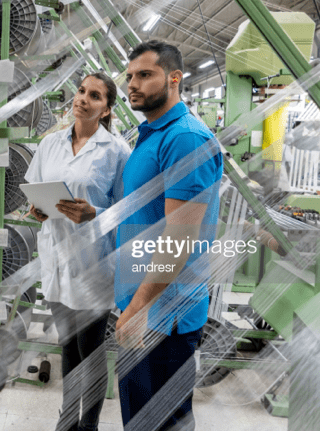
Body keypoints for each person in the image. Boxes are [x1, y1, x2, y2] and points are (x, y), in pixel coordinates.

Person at [114, 41, 223, 431]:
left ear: (174, 79)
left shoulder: (184, 138)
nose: (133, 84)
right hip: (146, 306)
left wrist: (139, 307)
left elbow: (179, 239)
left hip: (163, 317)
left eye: (145, 75)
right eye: (130, 76)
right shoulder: (153, 134)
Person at [24, 72, 131, 431]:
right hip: (55, 257)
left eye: (95, 96)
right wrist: (36, 210)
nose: (83, 99)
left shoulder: (116, 152)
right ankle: (67, 418)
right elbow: (36, 187)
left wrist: (94, 214)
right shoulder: (50, 144)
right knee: (68, 344)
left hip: (93, 263)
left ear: (106, 110)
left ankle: (90, 423)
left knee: (91, 348)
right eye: (82, 91)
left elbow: (129, 208)